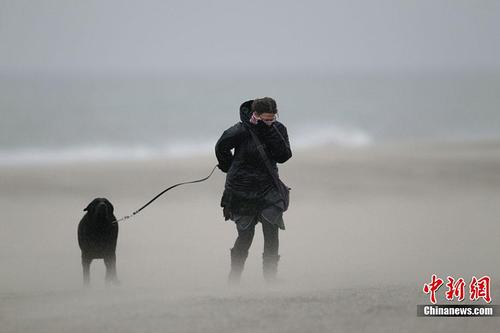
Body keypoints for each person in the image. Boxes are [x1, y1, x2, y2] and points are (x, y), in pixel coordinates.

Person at [215, 97, 292, 284]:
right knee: (246, 235)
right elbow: (221, 147)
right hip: (241, 189)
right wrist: (228, 166)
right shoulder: (240, 130)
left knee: (271, 230)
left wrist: (270, 130)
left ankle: (270, 278)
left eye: (272, 119)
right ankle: (234, 277)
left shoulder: (278, 128)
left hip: (268, 188)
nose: (270, 122)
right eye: (266, 119)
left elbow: (284, 156)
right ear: (255, 115)